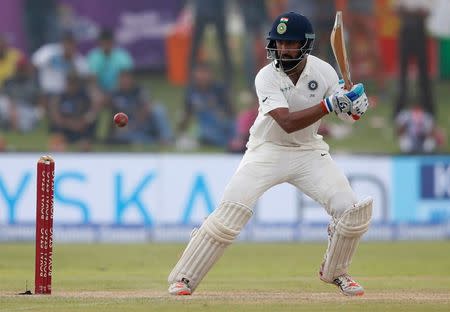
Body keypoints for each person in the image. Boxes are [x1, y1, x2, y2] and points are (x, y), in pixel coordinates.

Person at [167, 12, 372, 297]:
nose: (284, 49)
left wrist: (355, 105)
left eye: (291, 43)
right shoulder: (266, 76)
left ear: (305, 44)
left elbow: (348, 116)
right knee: (232, 210)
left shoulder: (324, 71)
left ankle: (336, 272)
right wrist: (329, 104)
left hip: (308, 151)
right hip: (267, 150)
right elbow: (287, 123)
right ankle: (184, 278)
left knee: (350, 209)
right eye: (279, 43)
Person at [178, 62, 234, 148]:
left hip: (220, 124)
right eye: (200, 74)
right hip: (203, 126)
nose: (202, 77)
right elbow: (187, 114)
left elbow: (230, 113)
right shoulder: (192, 92)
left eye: (205, 74)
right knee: (201, 132)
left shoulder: (219, 89)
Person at [393, 0, 435, 118]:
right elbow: (397, 10)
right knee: (402, 74)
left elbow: (426, 12)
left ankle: (428, 109)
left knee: (423, 73)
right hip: (406, 29)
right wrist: (414, 11)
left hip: (419, 30)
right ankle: (399, 110)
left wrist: (409, 11)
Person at [108, 70, 173, 145]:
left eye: (126, 79)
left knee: (158, 109)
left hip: (144, 123)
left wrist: (134, 124)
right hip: (130, 127)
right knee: (121, 136)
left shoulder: (139, 90)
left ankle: (166, 137)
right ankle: (155, 141)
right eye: (122, 79)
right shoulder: (116, 94)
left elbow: (147, 108)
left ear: (131, 80)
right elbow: (114, 115)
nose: (124, 82)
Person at [87, 29, 134, 93]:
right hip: (100, 92)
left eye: (108, 41)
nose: (106, 44)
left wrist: (114, 93)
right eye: (104, 41)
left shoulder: (123, 56)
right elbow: (92, 79)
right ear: (100, 42)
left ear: (113, 42)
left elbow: (126, 77)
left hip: (119, 90)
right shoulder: (93, 56)